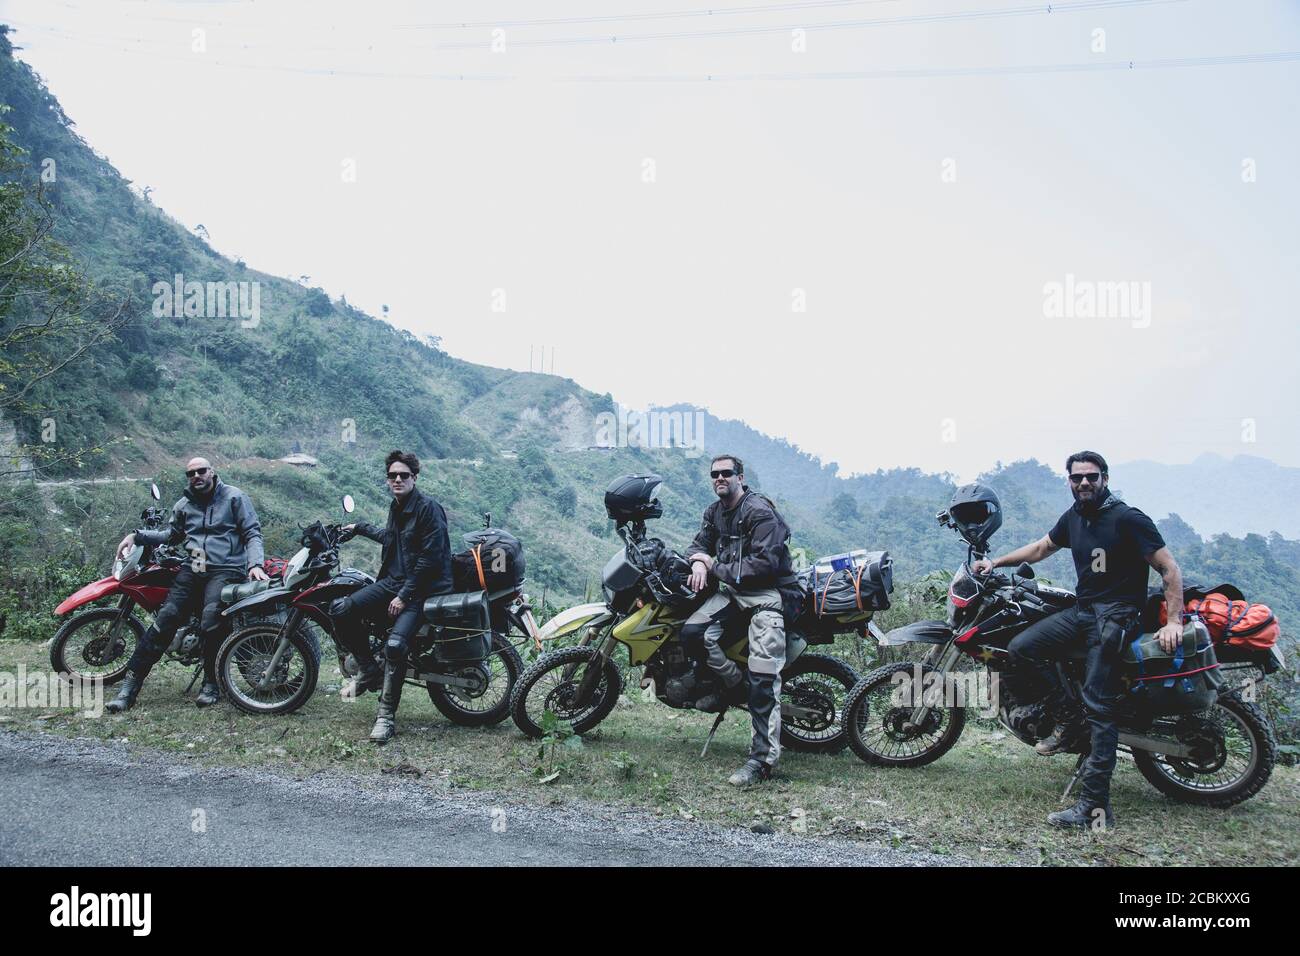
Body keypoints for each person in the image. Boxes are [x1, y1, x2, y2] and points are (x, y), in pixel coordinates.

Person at [973, 451, 1184, 829]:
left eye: (1091, 476)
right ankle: (1069, 719)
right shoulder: (1075, 517)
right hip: (1083, 611)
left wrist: (1174, 622)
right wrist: (995, 563)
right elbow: (1041, 548)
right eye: (1077, 477)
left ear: (1105, 478)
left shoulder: (1128, 519)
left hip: (1117, 616)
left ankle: (1094, 807)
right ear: (1069, 481)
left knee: (1098, 705)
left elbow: (1168, 567)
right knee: (1022, 649)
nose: (1084, 482)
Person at [107, 458, 268, 712]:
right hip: (194, 568)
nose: (196, 476)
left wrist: (255, 564)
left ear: (212, 472)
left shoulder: (235, 497)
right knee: (165, 618)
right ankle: (129, 686)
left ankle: (211, 683)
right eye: (191, 473)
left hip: (225, 569)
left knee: (211, 621)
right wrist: (137, 536)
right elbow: (171, 536)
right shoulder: (184, 504)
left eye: (201, 471)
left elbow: (252, 533)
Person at [678, 454, 800, 788]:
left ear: (740, 477)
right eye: (714, 474)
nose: (719, 478)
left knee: (763, 679)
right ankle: (733, 686)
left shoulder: (759, 512)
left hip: (769, 596)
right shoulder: (714, 512)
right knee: (692, 632)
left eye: (726, 473)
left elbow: (765, 565)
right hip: (734, 592)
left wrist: (713, 566)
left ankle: (762, 761)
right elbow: (699, 544)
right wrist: (698, 561)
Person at [334, 450, 451, 744]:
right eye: (392, 475)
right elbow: (391, 538)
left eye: (403, 475)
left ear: (415, 477)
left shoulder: (428, 509)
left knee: (396, 646)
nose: (397, 479)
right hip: (393, 582)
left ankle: (385, 717)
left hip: (420, 590)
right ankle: (369, 670)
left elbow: (430, 559)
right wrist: (359, 528)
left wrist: (403, 596)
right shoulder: (397, 506)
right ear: (387, 479)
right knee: (342, 609)